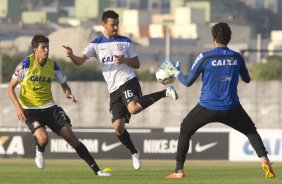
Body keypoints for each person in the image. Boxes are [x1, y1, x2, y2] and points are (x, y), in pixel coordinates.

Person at [62, 10, 178, 170]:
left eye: (117, 24)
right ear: (104, 24)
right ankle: (134, 152)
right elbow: (80, 61)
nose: (115, 27)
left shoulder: (125, 42)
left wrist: (125, 60)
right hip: (114, 90)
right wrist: (71, 55)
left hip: (128, 81)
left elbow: (137, 64)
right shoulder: (95, 44)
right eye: (112, 25)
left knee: (134, 108)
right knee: (118, 128)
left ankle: (165, 92)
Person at [162, 23, 275, 179]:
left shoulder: (205, 57)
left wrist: (175, 72)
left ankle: (179, 170)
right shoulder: (237, 57)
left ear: (213, 38)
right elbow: (247, 79)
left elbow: (187, 82)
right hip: (232, 108)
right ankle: (264, 160)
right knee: (251, 131)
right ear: (229, 38)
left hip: (207, 107)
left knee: (185, 129)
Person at [8, 35, 110, 177]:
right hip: (31, 110)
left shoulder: (53, 65)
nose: (46, 50)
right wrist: (18, 107)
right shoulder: (25, 65)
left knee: (72, 138)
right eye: (43, 48)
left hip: (50, 108)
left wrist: (68, 93)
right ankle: (40, 151)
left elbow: (64, 84)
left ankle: (97, 171)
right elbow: (10, 88)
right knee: (43, 139)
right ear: (34, 50)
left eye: (47, 47)